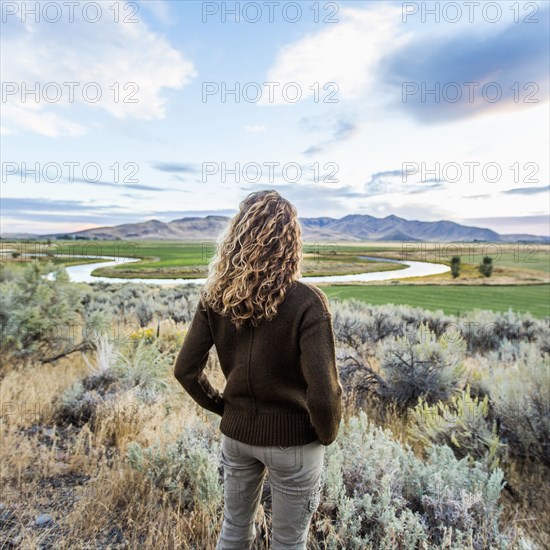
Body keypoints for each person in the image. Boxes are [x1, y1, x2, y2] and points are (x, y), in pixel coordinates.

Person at [174, 189, 343, 549]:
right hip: (294, 443)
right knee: (288, 541)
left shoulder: (215, 297)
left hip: (236, 439)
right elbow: (325, 393)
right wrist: (325, 436)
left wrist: (227, 409)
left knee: (234, 529)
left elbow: (185, 371)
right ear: (291, 242)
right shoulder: (308, 302)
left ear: (235, 237)